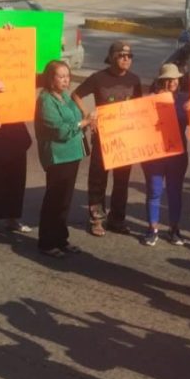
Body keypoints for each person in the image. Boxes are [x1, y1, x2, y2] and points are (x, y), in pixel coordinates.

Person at [72, 40, 143, 236]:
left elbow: (139, 108)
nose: (126, 59)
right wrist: (88, 115)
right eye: (121, 55)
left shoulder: (135, 80)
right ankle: (97, 219)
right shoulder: (98, 78)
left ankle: (117, 219)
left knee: (121, 181)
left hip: (125, 139)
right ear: (111, 57)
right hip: (103, 138)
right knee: (98, 178)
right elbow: (76, 95)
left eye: (129, 56)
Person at [35, 60, 93, 258]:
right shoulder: (45, 100)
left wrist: (86, 123)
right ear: (50, 79)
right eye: (60, 76)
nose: (65, 80)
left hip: (73, 154)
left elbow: (75, 119)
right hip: (58, 156)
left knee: (65, 200)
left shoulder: (65, 97)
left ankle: (61, 239)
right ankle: (46, 242)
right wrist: (81, 123)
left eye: (67, 76)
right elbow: (59, 130)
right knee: (54, 199)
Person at [141, 63, 190, 246]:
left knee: (174, 191)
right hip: (154, 153)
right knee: (154, 190)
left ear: (179, 80)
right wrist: (148, 103)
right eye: (167, 80)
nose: (171, 83)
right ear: (161, 81)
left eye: (174, 79)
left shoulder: (185, 99)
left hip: (177, 154)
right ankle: (152, 228)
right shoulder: (151, 99)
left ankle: (174, 229)